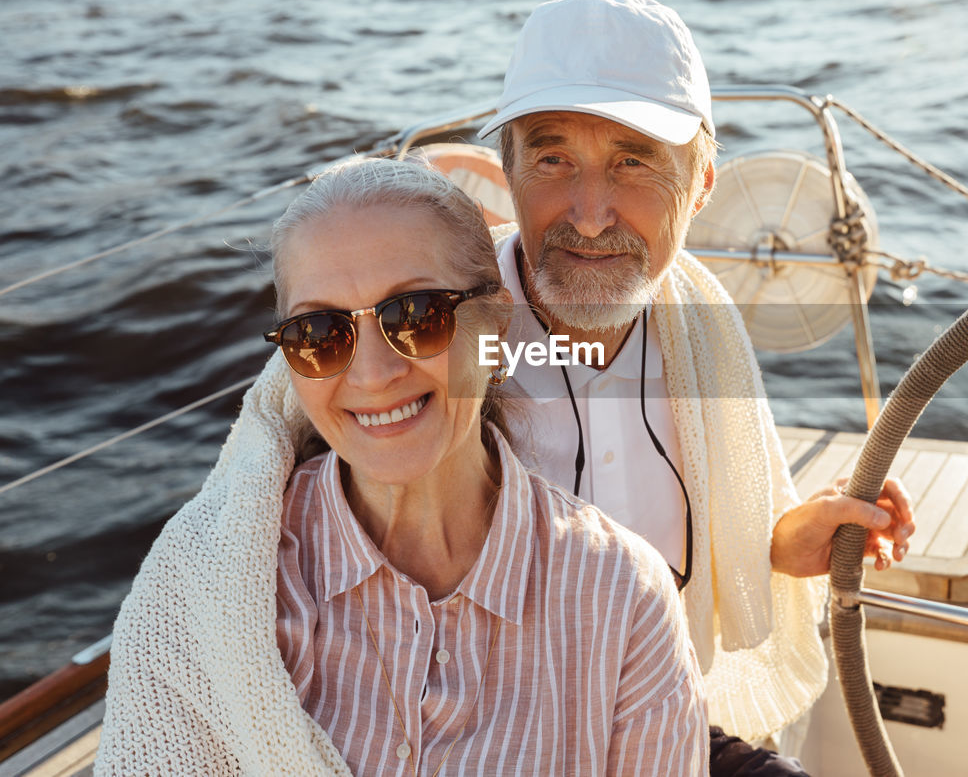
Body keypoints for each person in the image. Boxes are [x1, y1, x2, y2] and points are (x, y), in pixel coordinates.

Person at [97, 157, 708, 776]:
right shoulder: (200, 584)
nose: (373, 375)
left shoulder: (623, 599)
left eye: (416, 316)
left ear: (494, 324)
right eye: (321, 332)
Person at [475, 0, 915, 774]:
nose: (589, 214)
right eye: (552, 159)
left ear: (704, 182)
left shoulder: (702, 323)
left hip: (672, 725)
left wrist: (791, 536)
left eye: (634, 162)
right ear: (506, 170)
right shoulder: (438, 335)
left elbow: (722, 535)